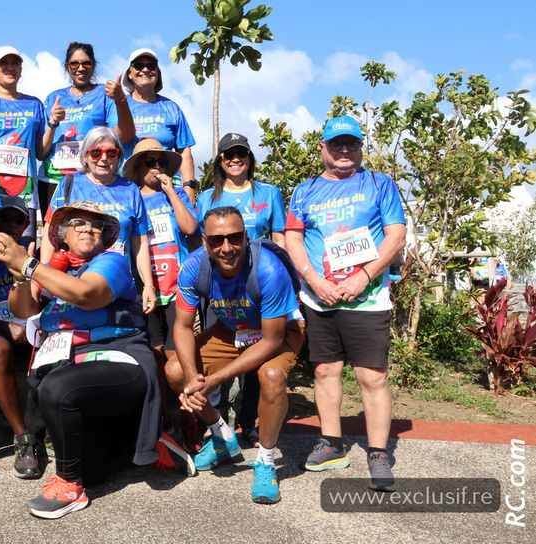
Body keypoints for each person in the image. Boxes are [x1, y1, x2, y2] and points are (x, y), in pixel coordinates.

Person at [0, 200, 195, 519]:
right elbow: (23, 310)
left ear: (105, 237)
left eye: (96, 225)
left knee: (58, 389)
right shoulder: (54, 269)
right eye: (78, 223)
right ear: (62, 235)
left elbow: (87, 295)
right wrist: (20, 276)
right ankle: (142, 444)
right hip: (78, 371)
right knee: (91, 469)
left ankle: (69, 488)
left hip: (121, 362)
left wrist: (30, 266)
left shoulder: (111, 263)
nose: (88, 228)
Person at [285, 114, 406, 491]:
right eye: (336, 143)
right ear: (322, 148)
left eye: (351, 143)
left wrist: (364, 277)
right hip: (320, 299)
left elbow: (396, 236)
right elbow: (292, 237)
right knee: (325, 372)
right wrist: (314, 280)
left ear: (360, 148)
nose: (343, 150)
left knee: (372, 377)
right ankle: (332, 444)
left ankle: (378, 452)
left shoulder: (379, 183)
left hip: (366, 300)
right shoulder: (304, 190)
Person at [164, 206, 305, 504]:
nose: (226, 248)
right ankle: (222, 438)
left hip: (278, 329)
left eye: (234, 238)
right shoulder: (192, 266)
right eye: (216, 240)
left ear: (246, 235)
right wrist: (193, 379)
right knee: (176, 370)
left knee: (270, 376)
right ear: (205, 241)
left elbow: (271, 341)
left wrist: (214, 380)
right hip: (232, 329)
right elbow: (182, 327)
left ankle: (266, 461)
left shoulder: (268, 269)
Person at [195, 132, 286, 449]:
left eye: (241, 153)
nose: (235, 159)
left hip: (258, 287)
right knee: (215, 357)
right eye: (228, 154)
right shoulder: (206, 197)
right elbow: (201, 243)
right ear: (219, 161)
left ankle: (250, 423)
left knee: (256, 357)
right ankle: (216, 425)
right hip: (218, 288)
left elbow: (279, 238)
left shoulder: (269, 192)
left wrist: (282, 279)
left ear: (250, 158)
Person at [122, 139, 198, 436]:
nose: (156, 168)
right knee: (154, 357)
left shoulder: (176, 194)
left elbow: (191, 229)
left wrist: (171, 191)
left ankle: (188, 415)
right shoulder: (129, 198)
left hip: (179, 289)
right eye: (150, 162)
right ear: (137, 169)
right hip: (146, 291)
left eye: (162, 163)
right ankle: (166, 419)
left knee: (176, 359)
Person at [41, 126, 155, 313]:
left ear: (119, 158)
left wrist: (148, 285)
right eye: (96, 152)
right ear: (85, 156)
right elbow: (50, 231)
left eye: (111, 153)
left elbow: (139, 241)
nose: (103, 158)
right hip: (71, 279)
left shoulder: (130, 189)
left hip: (115, 283)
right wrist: (46, 277)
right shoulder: (69, 183)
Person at [37, 42, 136, 212]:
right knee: (54, 233)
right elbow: (40, 153)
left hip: (89, 179)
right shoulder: (53, 97)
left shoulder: (105, 94)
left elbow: (124, 136)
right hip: (52, 180)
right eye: (75, 63)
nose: (80, 68)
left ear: (94, 65)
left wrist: (120, 100)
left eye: (86, 63)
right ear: (67, 67)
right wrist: (53, 123)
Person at [0, 196, 39, 479]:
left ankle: (52, 429)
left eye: (19, 220)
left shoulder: (35, 253)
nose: (12, 226)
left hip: (30, 324)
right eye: (5, 218)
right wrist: (7, 328)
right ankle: (23, 438)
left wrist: (30, 324)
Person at [0, 46, 61, 240]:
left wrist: (52, 124)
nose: (10, 68)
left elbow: (40, 153)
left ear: (21, 69)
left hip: (25, 195)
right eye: (4, 63)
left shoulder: (34, 104)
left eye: (15, 63)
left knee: (24, 256)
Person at [122, 48, 198, 203]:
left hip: (168, 189)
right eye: (138, 65)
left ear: (157, 73)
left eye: (151, 66)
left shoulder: (171, 107)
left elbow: (184, 150)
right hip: (128, 189)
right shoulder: (118, 105)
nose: (145, 69)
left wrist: (189, 187)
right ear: (129, 73)